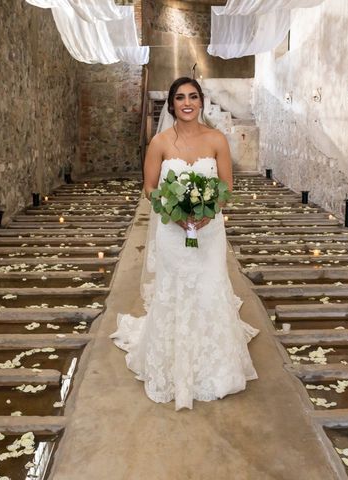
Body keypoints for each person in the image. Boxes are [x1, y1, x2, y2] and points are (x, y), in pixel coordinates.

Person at [110, 77, 258, 411]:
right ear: (172, 104)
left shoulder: (217, 139)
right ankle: (171, 362)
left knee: (209, 286)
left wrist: (209, 210)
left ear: (201, 102)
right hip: (173, 231)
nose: (187, 103)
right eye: (180, 97)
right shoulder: (160, 143)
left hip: (209, 231)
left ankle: (214, 368)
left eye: (193, 96)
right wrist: (172, 209)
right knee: (175, 288)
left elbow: (226, 186)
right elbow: (149, 187)